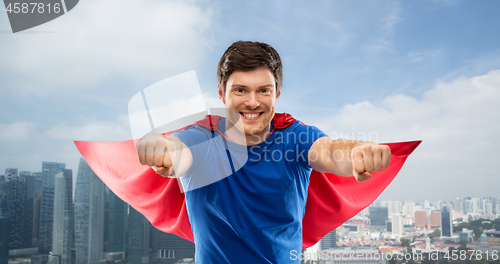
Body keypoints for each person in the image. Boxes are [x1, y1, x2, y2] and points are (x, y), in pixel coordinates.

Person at [136, 41, 391, 263]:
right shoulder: (203, 135)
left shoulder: (295, 136)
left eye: (264, 90)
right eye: (240, 90)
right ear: (221, 95)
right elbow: (180, 151)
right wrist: (165, 150)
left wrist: (356, 152)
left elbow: (331, 150)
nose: (253, 102)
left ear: (277, 93)